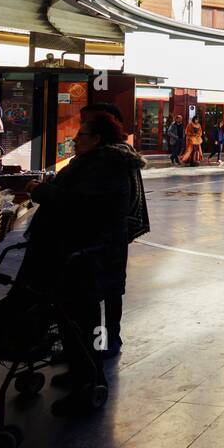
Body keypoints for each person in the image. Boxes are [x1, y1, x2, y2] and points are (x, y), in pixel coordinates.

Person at [20, 113, 141, 414]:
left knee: (80, 322)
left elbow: (79, 203)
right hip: (80, 254)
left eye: (81, 135)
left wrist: (39, 191)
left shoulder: (106, 166)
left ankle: (89, 386)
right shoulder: (96, 162)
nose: (75, 140)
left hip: (87, 256)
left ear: (97, 138)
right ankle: (80, 374)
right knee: (72, 319)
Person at [77, 102, 148, 358]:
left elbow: (94, 199)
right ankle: (97, 341)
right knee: (107, 289)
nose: (78, 133)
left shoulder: (112, 157)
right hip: (111, 234)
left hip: (105, 235)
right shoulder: (111, 154)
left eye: (85, 125)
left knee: (106, 290)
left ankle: (105, 341)